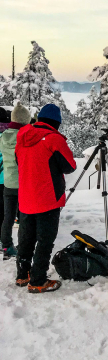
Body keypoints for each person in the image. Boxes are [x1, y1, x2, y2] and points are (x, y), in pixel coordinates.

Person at [15, 104, 75, 292]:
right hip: (47, 199)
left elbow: (19, 161)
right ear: (56, 123)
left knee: (26, 238)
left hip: (25, 197)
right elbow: (69, 166)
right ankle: (38, 280)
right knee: (45, 241)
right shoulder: (54, 139)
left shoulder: (22, 137)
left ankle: (23, 275)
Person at [1, 104, 25, 260]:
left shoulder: (2, 138)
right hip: (22, 182)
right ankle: (24, 246)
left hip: (8, 181)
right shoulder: (22, 136)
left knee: (7, 216)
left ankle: (6, 245)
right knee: (24, 217)